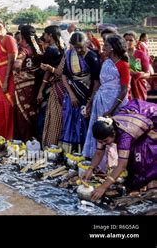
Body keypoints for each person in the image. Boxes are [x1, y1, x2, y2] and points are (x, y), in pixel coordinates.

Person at [83, 100, 157, 200]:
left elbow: (122, 165)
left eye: (105, 141)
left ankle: (151, 187)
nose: (104, 143)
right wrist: (90, 168)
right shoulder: (105, 131)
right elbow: (99, 151)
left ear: (114, 134)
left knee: (142, 157)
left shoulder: (125, 136)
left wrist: (103, 187)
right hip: (138, 115)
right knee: (132, 156)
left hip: (152, 122)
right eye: (101, 141)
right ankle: (140, 185)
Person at [83, 35, 130, 166]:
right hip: (101, 101)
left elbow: (124, 90)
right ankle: (98, 164)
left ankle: (111, 166)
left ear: (114, 48)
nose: (103, 48)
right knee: (99, 131)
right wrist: (90, 102)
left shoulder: (123, 65)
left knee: (111, 133)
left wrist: (112, 110)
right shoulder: (105, 62)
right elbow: (98, 84)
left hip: (115, 103)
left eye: (106, 46)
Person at [60, 32, 101, 153]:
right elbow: (64, 76)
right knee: (69, 121)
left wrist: (90, 101)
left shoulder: (92, 57)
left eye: (80, 46)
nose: (78, 50)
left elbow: (96, 81)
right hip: (72, 95)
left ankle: (84, 153)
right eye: (75, 47)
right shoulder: (69, 54)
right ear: (71, 45)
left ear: (86, 43)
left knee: (83, 123)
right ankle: (69, 153)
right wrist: (72, 95)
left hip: (87, 95)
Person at [13, 24, 41, 141]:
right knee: (33, 111)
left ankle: (25, 139)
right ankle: (34, 139)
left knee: (22, 113)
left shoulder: (23, 49)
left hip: (22, 86)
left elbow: (17, 64)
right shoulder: (38, 48)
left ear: (22, 35)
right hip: (36, 85)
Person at [38, 25, 65, 146]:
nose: (44, 37)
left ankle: (44, 142)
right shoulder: (62, 48)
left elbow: (47, 71)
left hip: (49, 85)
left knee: (45, 114)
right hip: (59, 84)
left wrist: (40, 90)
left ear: (50, 35)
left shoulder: (51, 49)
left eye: (45, 34)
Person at [0, 18, 17, 139]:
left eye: (0, 26)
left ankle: (9, 136)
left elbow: (12, 60)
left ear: (5, 27)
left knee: (7, 105)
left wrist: (6, 80)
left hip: (7, 76)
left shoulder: (9, 39)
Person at [124, 31, 150, 101]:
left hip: (138, 86)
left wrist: (138, 74)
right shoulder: (120, 55)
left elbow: (148, 74)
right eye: (126, 40)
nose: (128, 42)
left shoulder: (141, 54)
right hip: (124, 86)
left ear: (136, 41)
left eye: (131, 40)